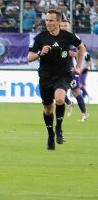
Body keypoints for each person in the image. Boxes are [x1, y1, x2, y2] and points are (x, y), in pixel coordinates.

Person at [28, 9, 86, 150]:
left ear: (59, 22)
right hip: (46, 77)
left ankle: (59, 128)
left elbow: (81, 47)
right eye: (47, 20)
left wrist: (78, 66)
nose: (48, 23)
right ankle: (50, 135)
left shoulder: (67, 36)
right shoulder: (41, 37)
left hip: (63, 75)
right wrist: (40, 53)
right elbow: (29, 58)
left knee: (60, 99)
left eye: (51, 20)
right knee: (48, 109)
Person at [60, 20, 90, 122]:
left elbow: (74, 53)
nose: (63, 27)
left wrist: (59, 50)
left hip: (70, 71)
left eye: (65, 25)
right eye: (62, 25)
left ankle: (84, 113)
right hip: (58, 70)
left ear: (69, 27)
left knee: (76, 92)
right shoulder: (56, 38)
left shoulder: (72, 38)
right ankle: (69, 103)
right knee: (56, 90)